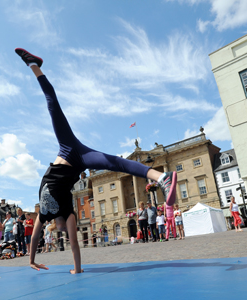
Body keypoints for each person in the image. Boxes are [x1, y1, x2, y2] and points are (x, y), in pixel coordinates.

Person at [15, 48, 177, 274]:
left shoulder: (44, 214)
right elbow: (74, 243)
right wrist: (77, 269)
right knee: (115, 163)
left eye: (59, 229)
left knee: (52, 105)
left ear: (54, 225)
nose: (63, 230)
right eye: (63, 230)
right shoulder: (69, 212)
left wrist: (31, 260)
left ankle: (34, 65)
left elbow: (34, 238)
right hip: (80, 160)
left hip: (67, 148)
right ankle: (162, 177)